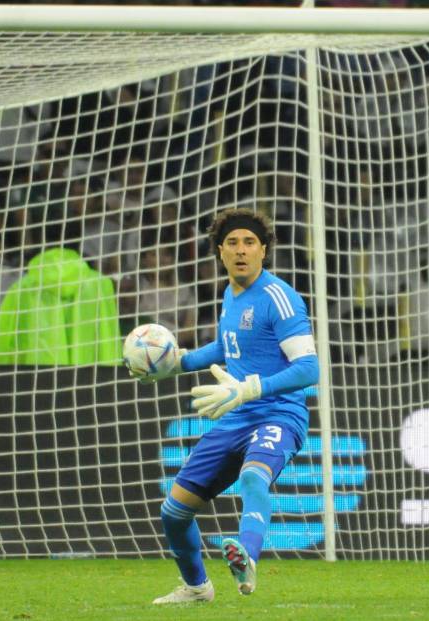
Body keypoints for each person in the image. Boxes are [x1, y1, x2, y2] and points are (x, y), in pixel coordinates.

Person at [128, 208, 319, 603]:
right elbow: (226, 348)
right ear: (219, 252)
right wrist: (178, 363)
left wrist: (251, 389)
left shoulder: (280, 298)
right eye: (232, 243)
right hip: (237, 416)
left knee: (253, 475)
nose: (241, 250)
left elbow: (309, 368)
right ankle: (197, 588)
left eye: (250, 242)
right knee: (174, 512)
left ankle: (246, 555)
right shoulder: (230, 295)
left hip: (280, 412)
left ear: (264, 250)